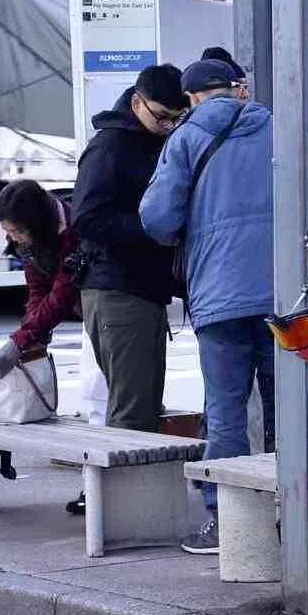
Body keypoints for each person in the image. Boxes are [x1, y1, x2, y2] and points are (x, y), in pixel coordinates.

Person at [140, 58, 275, 555]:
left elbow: (157, 219)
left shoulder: (186, 139)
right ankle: (296, 514)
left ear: (193, 98)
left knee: (225, 413)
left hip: (220, 296)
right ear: (238, 89)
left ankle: (228, 523)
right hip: (284, 296)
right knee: (288, 408)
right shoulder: (277, 127)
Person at [70, 64, 184, 445]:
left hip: (141, 289)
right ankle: (126, 502)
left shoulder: (151, 140)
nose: (169, 126)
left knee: (144, 407)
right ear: (136, 102)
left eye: (177, 119)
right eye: (162, 117)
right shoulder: (109, 146)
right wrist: (153, 229)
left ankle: (135, 499)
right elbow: (86, 218)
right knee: (133, 413)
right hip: (119, 288)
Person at [0, 181, 82, 481]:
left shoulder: (75, 229)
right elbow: (37, 290)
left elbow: (60, 293)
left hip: (99, 304)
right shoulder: (30, 241)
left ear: (37, 222)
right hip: (75, 305)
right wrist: (30, 336)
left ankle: (96, 489)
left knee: (98, 396)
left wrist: (21, 340)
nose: (13, 238)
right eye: (9, 233)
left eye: (17, 232)